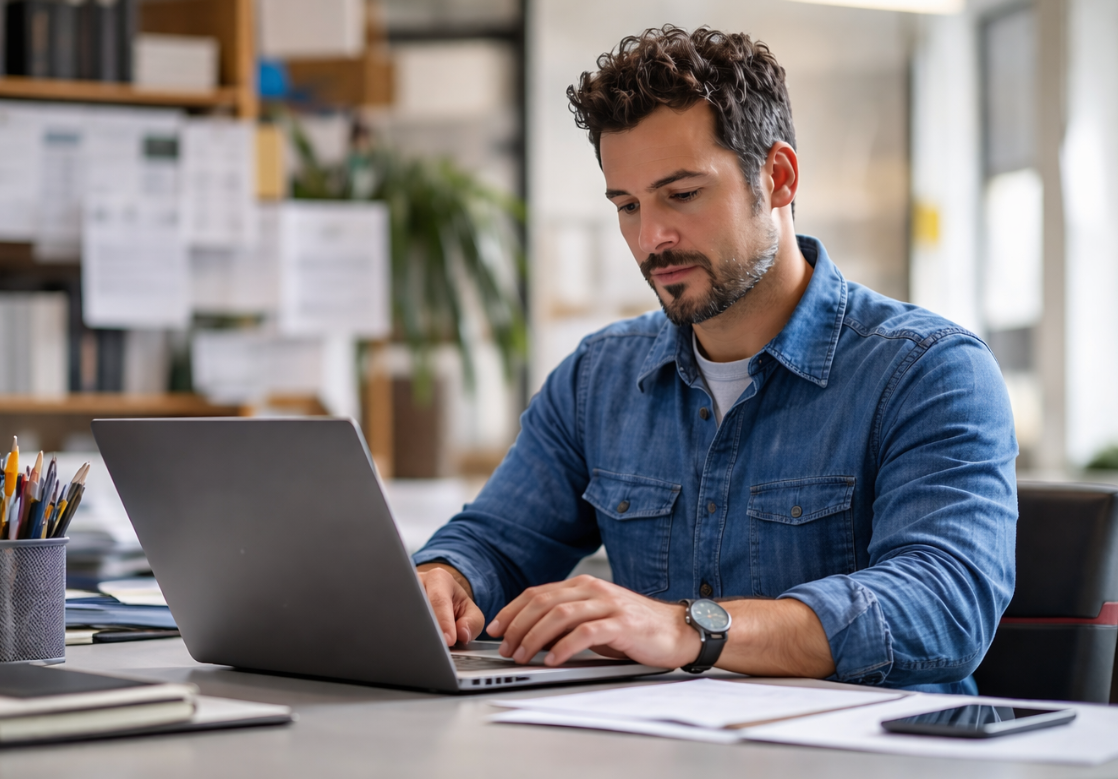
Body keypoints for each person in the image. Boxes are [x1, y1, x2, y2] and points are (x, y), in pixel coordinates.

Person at [413, 26, 1017, 693]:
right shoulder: (598, 378)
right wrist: (446, 577)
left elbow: (945, 606)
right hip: (657, 760)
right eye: (628, 205)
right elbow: (497, 540)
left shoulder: (928, 371)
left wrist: (692, 629)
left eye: (683, 194)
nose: (651, 238)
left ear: (779, 177)